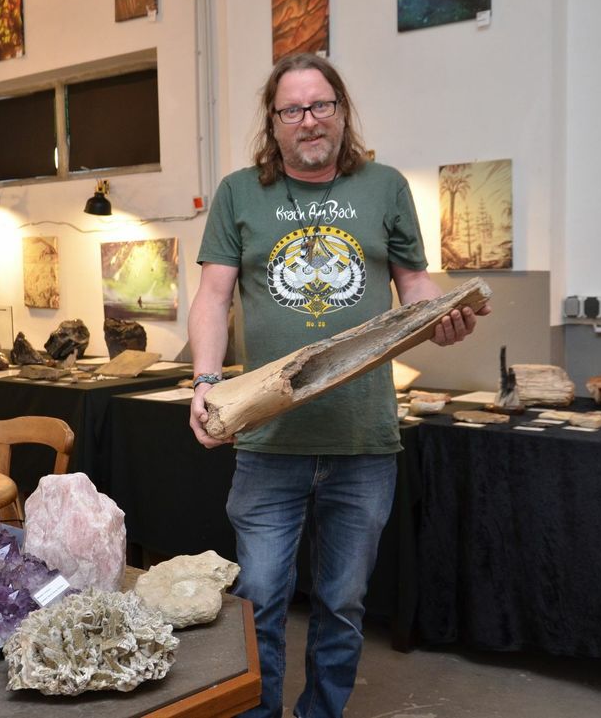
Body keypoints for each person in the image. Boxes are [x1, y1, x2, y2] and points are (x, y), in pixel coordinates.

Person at [188, 53, 489, 718]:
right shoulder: (240, 192)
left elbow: (414, 285)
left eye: (320, 104)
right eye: (292, 109)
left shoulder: (384, 187)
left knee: (343, 602)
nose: (309, 120)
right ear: (273, 121)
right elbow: (212, 297)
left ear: (342, 110)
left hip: (363, 440)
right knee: (261, 597)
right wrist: (206, 379)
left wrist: (441, 317)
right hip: (268, 437)